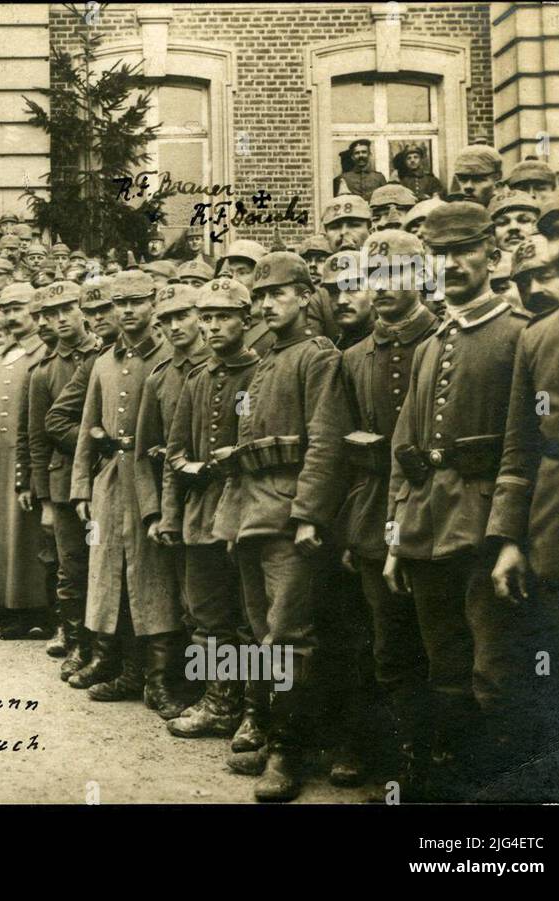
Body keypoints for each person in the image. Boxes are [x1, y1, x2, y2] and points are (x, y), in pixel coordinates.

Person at [383, 202, 532, 801]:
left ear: (492, 257)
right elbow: (406, 448)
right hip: (428, 527)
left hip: (484, 528)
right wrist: (396, 537)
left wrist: (510, 538)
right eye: (440, 255)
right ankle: (454, 785)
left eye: (464, 252)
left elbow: (527, 446)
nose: (451, 265)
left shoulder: (518, 335)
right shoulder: (431, 343)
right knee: (442, 663)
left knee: (493, 671)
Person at [224, 252, 350, 802]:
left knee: (289, 638)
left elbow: (325, 442)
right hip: (252, 512)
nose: (266, 303)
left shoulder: (318, 356)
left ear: (305, 295)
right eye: (260, 295)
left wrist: (308, 515)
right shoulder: (264, 357)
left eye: (277, 293)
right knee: (259, 631)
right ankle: (273, 729)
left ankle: (287, 750)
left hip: (288, 516)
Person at [486, 184, 559, 801]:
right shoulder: (537, 336)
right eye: (556, 233)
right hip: (557, 525)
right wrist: (508, 539)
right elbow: (518, 446)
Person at [335, 229, 441, 797]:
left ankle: (443, 764)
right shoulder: (353, 358)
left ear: (423, 277)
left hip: (441, 511)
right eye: (372, 277)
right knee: (388, 644)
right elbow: (343, 450)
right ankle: (399, 759)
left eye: (396, 275)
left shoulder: (445, 341)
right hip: (377, 512)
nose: (381, 288)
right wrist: (353, 528)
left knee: (444, 643)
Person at [69, 270, 179, 701]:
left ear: (153, 303)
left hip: (151, 476)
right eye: (121, 304)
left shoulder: (170, 356)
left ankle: (160, 680)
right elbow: (87, 427)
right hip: (112, 477)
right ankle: (129, 670)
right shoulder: (102, 362)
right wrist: (81, 485)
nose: (128, 311)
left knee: (153, 577)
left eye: (137, 301)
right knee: (111, 572)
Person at [159, 277, 261, 745]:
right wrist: (181, 489)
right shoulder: (199, 378)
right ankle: (218, 701)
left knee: (249, 617)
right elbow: (174, 451)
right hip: (202, 511)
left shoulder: (260, 371)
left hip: (246, 509)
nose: (215, 326)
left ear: (247, 318)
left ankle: (254, 711)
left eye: (225, 317)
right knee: (206, 613)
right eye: (209, 318)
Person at [133, 282, 211, 716]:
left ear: (200, 317)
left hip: (222, 500)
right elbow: (146, 451)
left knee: (225, 611)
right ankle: (189, 689)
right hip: (176, 506)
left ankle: (225, 697)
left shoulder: (226, 367)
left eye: (183, 316)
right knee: (188, 605)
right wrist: (154, 512)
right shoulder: (160, 377)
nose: (175, 326)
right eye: (166, 320)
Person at [23, 281, 101, 669]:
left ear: (82, 310)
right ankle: (75, 642)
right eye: (50, 314)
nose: (59, 320)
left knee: (104, 560)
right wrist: (45, 500)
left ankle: (105, 648)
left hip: (105, 477)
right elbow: (38, 438)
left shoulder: (104, 354)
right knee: (72, 565)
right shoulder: (43, 372)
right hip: (65, 481)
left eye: (67, 310)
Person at [0, 282, 50, 638]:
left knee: (24, 535)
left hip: (23, 456)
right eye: (7, 310)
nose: (13, 316)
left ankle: (29, 610)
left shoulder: (45, 352)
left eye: (19, 308)